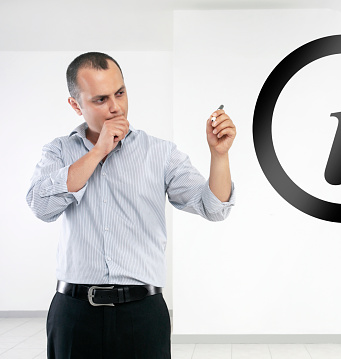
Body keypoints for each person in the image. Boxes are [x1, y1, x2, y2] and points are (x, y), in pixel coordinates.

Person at [26, 52, 236, 358]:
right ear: (75, 105)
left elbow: (214, 208)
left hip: (142, 314)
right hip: (74, 312)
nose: (115, 107)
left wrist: (219, 155)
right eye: (100, 99)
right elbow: (41, 206)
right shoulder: (59, 151)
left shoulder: (160, 153)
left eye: (120, 93)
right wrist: (97, 152)